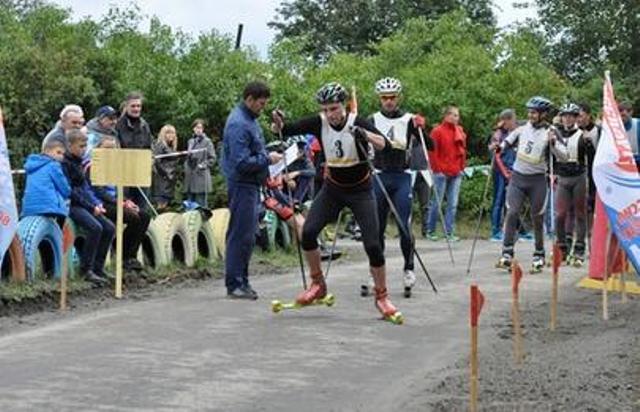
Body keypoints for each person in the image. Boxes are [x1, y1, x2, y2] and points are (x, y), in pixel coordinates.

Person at [272, 82, 402, 321]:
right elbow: (286, 130)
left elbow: (385, 145)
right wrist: (279, 124)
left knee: (373, 245)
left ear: (343, 105)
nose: (330, 114)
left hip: (361, 190)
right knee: (308, 232)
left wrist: (364, 134)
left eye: (334, 108)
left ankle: (382, 297)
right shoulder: (319, 122)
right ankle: (318, 285)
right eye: (326, 109)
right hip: (333, 189)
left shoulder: (356, 121)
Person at [366, 77, 432, 298]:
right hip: (379, 176)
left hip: (402, 177)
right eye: (385, 98)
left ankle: (409, 269)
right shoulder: (371, 119)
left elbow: (429, 145)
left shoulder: (409, 120)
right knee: (376, 229)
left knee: (404, 226)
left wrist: (423, 127)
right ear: (379, 99)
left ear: (398, 97)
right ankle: (375, 271)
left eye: (392, 97)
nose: (389, 101)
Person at [222, 81, 282, 300]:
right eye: (260, 104)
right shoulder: (239, 123)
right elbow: (240, 161)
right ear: (249, 99)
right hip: (242, 184)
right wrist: (267, 159)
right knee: (241, 234)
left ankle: (243, 281)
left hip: (252, 184)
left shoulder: (250, 120)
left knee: (248, 235)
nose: (262, 108)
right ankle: (235, 283)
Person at [493, 96, 567, 272]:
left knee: (537, 217)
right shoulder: (521, 129)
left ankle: (539, 254)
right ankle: (507, 252)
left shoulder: (551, 131)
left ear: (543, 114)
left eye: (534, 112)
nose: (530, 115)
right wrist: (499, 147)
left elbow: (564, 156)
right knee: (512, 212)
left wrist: (553, 144)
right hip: (518, 178)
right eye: (529, 112)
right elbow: (506, 142)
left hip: (537, 180)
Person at [85, 135, 151, 272]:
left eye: (112, 149)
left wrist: (126, 201)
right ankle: (122, 252)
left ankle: (129, 256)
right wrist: (119, 202)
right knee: (132, 217)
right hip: (101, 203)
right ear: (98, 149)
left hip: (116, 201)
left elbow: (121, 189)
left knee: (144, 216)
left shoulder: (116, 166)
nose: (109, 152)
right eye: (106, 148)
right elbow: (99, 191)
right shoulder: (93, 166)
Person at [62, 129, 114, 285]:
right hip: (71, 205)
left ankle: (98, 268)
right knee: (95, 228)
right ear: (69, 145)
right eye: (80, 146)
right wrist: (91, 208)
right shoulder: (64, 164)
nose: (83, 149)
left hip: (84, 204)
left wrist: (95, 204)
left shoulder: (79, 163)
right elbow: (71, 192)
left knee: (109, 228)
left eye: (85, 146)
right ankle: (86, 269)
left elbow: (85, 188)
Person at [551, 103, 595, 267]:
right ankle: (562, 246)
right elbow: (553, 156)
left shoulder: (583, 136)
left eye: (571, 116)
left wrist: (591, 187)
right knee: (560, 214)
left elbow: (590, 161)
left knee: (580, 214)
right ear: (561, 117)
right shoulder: (555, 134)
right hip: (563, 177)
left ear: (576, 118)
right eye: (565, 116)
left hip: (579, 177)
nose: (567, 119)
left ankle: (579, 249)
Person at [426, 105, 467, 242]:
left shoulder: (459, 130)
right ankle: (430, 230)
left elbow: (462, 151)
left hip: (456, 171)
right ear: (447, 116)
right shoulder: (437, 131)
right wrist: (437, 169)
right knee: (436, 202)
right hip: (441, 172)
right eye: (454, 115)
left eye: (457, 115)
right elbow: (432, 152)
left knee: (453, 203)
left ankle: (449, 232)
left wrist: (462, 168)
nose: (457, 118)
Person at [21, 140, 70, 228]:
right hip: (48, 206)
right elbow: (63, 186)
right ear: (47, 151)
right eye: (58, 152)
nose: (61, 156)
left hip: (28, 206)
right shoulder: (53, 165)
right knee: (61, 218)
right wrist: (68, 193)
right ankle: (59, 239)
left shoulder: (31, 166)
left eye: (63, 154)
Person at [488, 109, 518, 242]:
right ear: (507, 120)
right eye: (513, 119)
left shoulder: (514, 133)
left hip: (512, 170)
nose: (515, 122)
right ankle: (495, 230)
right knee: (498, 200)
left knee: (511, 202)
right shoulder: (498, 134)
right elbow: (496, 154)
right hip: (500, 171)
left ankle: (512, 230)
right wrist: (504, 171)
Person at [577, 102, 601, 232]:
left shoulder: (597, 131)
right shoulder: (575, 131)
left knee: (592, 204)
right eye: (577, 116)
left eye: (581, 116)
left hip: (594, 174)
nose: (579, 119)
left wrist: (590, 143)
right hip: (579, 173)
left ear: (588, 116)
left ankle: (593, 233)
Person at [184, 119, 216, 207]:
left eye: (200, 128)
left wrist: (202, 165)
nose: (198, 130)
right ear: (193, 129)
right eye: (197, 127)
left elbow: (212, 158)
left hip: (201, 178)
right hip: (190, 178)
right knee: (190, 207)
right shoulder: (190, 141)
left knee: (201, 206)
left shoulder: (207, 142)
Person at [152, 124, 179, 210]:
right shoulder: (160, 145)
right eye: (168, 133)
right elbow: (157, 162)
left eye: (172, 133)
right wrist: (166, 174)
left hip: (169, 180)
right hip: (161, 180)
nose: (171, 135)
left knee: (165, 205)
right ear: (163, 134)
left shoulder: (171, 147)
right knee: (161, 205)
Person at [618, 101, 640, 169]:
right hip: (625, 166)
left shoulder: (638, 124)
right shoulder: (617, 127)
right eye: (620, 116)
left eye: (623, 115)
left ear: (631, 112)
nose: (622, 119)